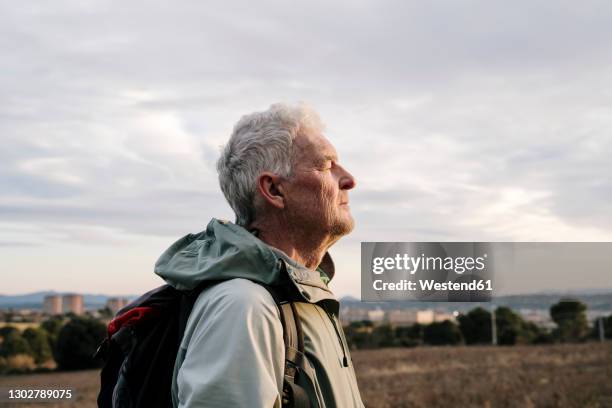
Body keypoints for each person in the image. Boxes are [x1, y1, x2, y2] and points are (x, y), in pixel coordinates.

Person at [154, 103, 364, 407]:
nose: (350, 180)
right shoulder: (242, 307)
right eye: (327, 166)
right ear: (274, 190)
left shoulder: (304, 296)